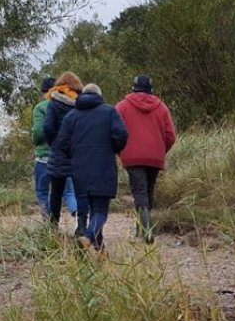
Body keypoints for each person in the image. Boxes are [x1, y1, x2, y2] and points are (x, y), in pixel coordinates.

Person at [55, 83, 128, 254]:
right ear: (99, 95)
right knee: (100, 210)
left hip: (79, 167)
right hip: (103, 165)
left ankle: (99, 249)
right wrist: (114, 148)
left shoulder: (71, 116)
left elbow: (62, 142)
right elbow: (121, 134)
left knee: (84, 207)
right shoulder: (109, 112)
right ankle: (87, 237)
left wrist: (73, 155)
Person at [115, 74, 176, 244]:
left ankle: (146, 230)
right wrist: (160, 151)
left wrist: (122, 151)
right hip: (155, 156)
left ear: (133, 87)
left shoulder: (122, 107)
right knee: (148, 191)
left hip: (132, 157)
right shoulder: (161, 107)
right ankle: (140, 229)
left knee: (139, 192)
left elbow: (115, 133)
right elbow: (170, 135)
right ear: (151, 89)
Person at [42, 71, 84, 232]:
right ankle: (80, 227)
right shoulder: (80, 103)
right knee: (80, 191)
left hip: (58, 152)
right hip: (78, 152)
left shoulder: (53, 102)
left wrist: (55, 143)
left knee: (56, 192)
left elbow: (47, 127)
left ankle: (53, 227)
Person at [31, 76, 56, 217]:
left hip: (44, 155)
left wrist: (34, 139)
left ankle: (48, 223)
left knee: (42, 190)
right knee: (67, 191)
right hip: (66, 156)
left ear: (44, 92)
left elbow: (38, 132)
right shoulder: (69, 105)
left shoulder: (41, 108)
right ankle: (77, 217)